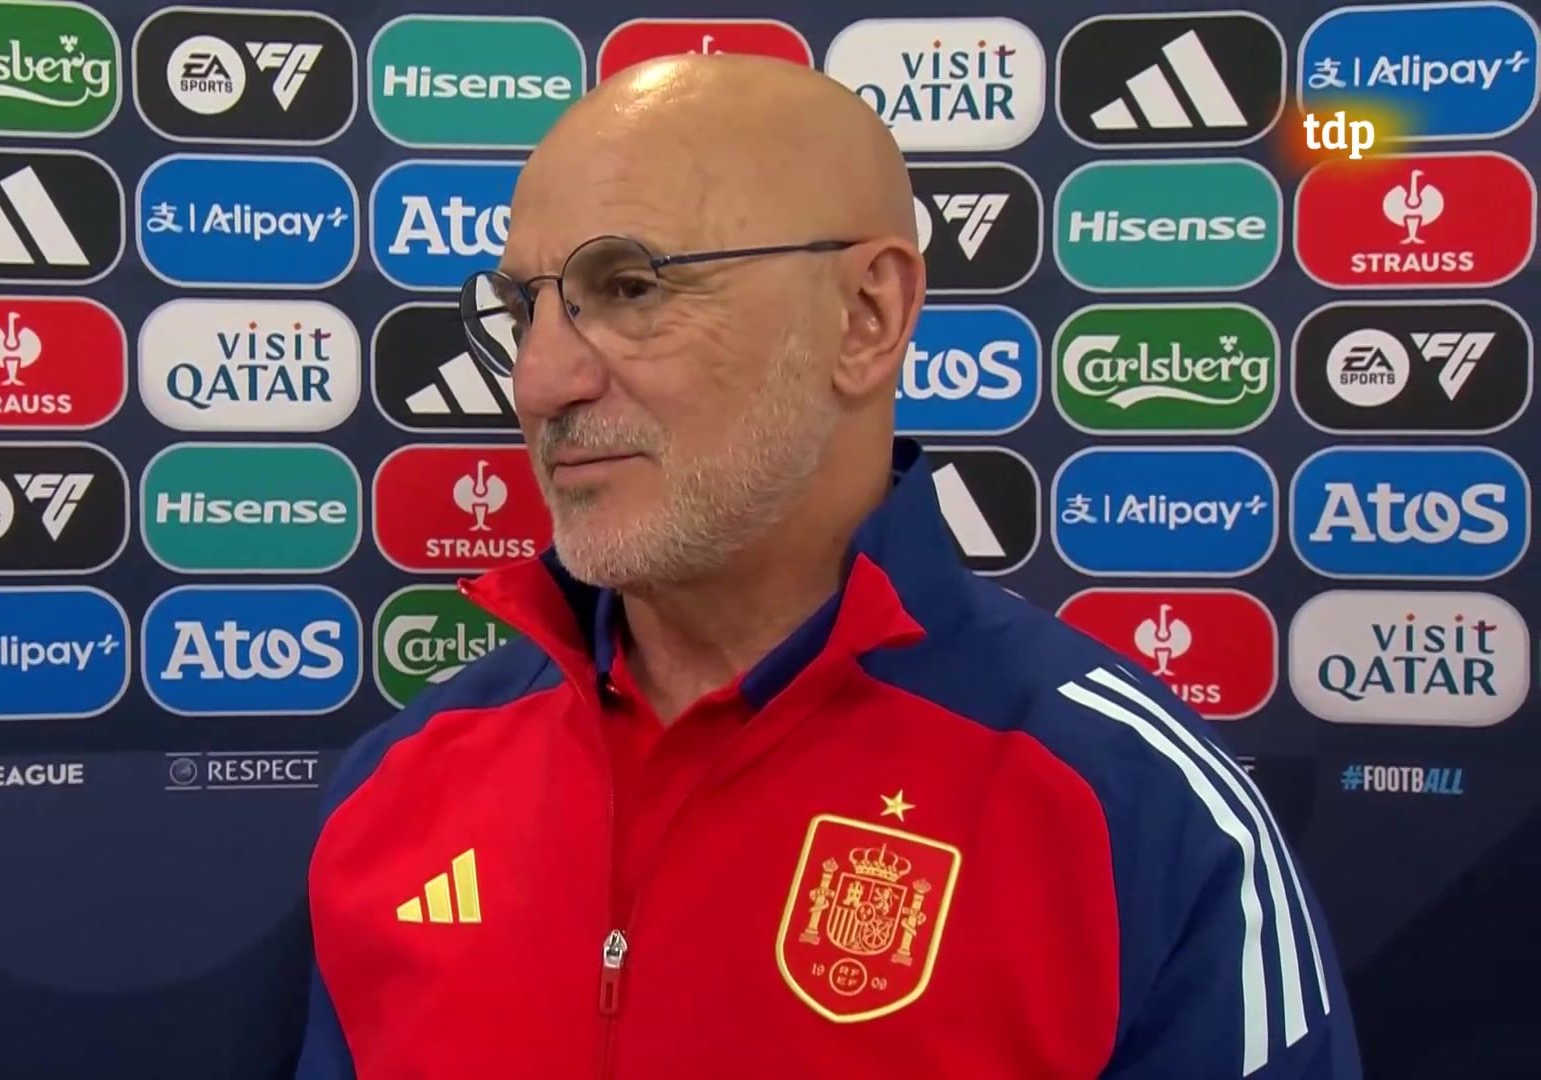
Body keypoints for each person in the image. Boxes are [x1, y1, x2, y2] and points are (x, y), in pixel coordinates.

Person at [290, 54, 1360, 1078]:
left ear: (866, 318)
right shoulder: (402, 784)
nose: (539, 382)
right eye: (526, 310)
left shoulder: (1129, 808)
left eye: (631, 288)